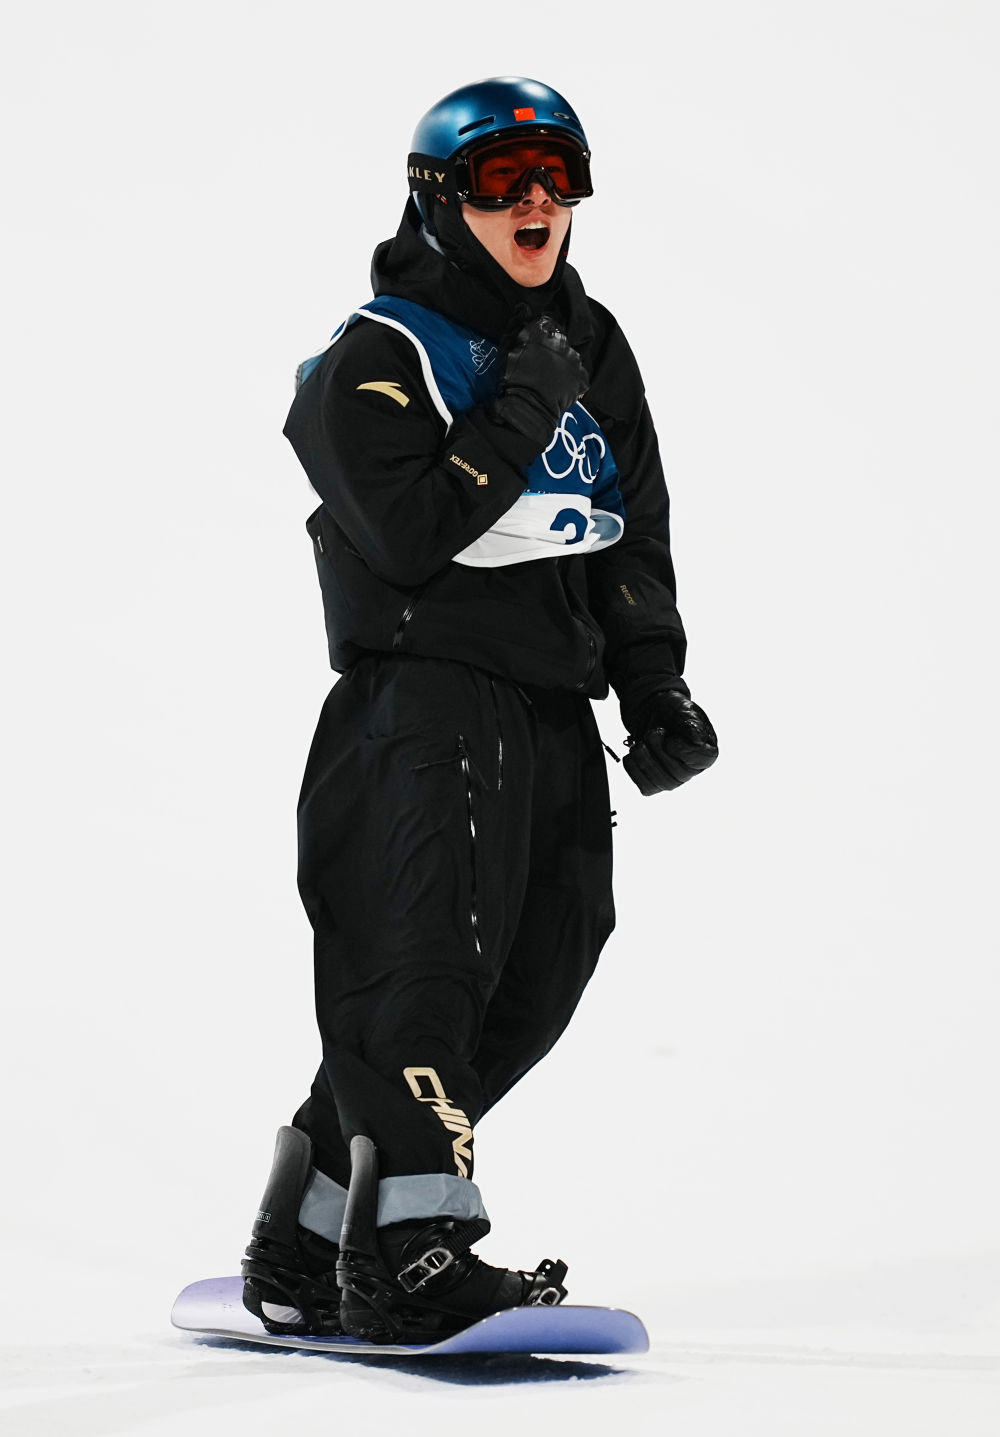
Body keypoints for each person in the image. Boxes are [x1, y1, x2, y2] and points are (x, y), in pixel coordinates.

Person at [241, 75, 718, 1344]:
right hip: (423, 701)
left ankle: (312, 1228)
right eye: (503, 178)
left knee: (547, 961)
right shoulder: (376, 354)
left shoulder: (591, 341)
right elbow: (403, 535)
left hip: (551, 702)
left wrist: (652, 678)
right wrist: (518, 407)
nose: (536, 201)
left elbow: (630, 524)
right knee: (423, 965)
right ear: (439, 197)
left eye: (559, 175)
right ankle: (414, 1250)